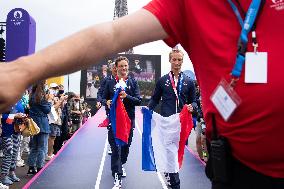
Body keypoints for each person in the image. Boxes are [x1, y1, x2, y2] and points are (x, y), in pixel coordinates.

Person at [0, 1, 283, 188]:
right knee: (128, 148)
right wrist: (22, 70)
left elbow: (141, 96)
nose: (177, 62)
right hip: (241, 171)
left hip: (171, 124)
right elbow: (113, 33)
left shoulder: (172, 80)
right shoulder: (189, 4)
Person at [148, 49, 196, 189]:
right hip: (167, 124)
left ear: (182, 61)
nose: (177, 63)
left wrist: (192, 106)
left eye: (179, 60)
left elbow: (194, 101)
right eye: (174, 59)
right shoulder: (163, 80)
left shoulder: (189, 82)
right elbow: (155, 99)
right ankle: (175, 184)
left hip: (182, 124)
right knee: (171, 153)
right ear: (170, 60)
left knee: (177, 152)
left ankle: (169, 172)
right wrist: (148, 110)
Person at [103, 56, 141, 189]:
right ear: (116, 68)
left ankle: (122, 165)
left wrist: (127, 96)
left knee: (125, 148)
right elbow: (102, 97)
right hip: (113, 122)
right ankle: (117, 178)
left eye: (125, 66)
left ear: (128, 67)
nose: (123, 68)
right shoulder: (110, 83)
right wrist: (106, 102)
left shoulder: (133, 82)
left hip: (128, 122)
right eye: (121, 66)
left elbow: (138, 100)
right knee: (115, 150)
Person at [27, 80, 52, 175]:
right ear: (42, 86)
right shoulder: (41, 97)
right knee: (42, 147)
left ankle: (31, 167)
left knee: (34, 147)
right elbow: (47, 110)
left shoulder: (32, 96)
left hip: (34, 125)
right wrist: (49, 101)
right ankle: (40, 167)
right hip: (42, 125)